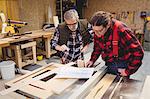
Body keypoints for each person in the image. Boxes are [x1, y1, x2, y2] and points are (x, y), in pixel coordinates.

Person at [86, 11, 144, 77]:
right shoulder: (98, 30)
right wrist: (92, 60)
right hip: (109, 62)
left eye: (99, 31)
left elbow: (138, 52)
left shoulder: (121, 30)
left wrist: (128, 71)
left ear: (107, 25)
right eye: (94, 31)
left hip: (121, 64)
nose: (96, 34)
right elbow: (97, 47)